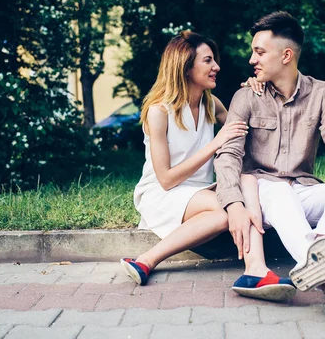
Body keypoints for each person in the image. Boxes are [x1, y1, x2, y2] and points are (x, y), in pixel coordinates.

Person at [215, 11, 325, 323]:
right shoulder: (246, 96)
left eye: (259, 52)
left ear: (286, 55)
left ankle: (319, 264)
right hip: (265, 189)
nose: (250, 60)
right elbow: (228, 155)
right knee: (281, 192)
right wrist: (233, 203)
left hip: (304, 187)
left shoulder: (323, 93)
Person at [120, 31, 295, 301]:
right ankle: (256, 270)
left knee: (234, 203)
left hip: (199, 193)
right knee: (232, 206)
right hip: (162, 193)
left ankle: (144, 261)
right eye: (208, 61)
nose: (217, 67)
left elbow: (252, 127)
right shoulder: (159, 111)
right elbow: (165, 179)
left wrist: (257, 90)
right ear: (186, 67)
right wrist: (215, 144)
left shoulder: (211, 104)